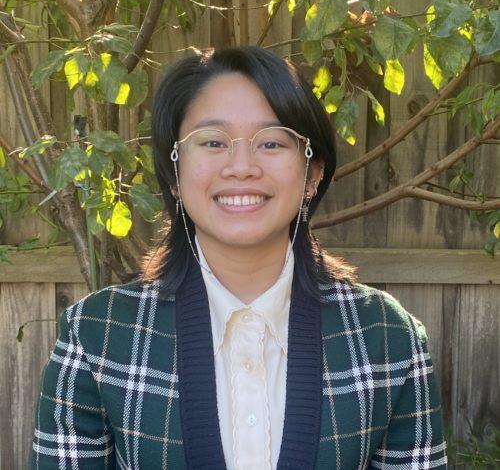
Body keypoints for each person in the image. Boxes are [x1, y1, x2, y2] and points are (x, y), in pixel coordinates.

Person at [31, 46, 447, 469]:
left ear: (314, 171)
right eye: (212, 142)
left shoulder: (388, 338)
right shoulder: (96, 336)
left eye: (271, 142)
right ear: (173, 172)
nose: (241, 166)